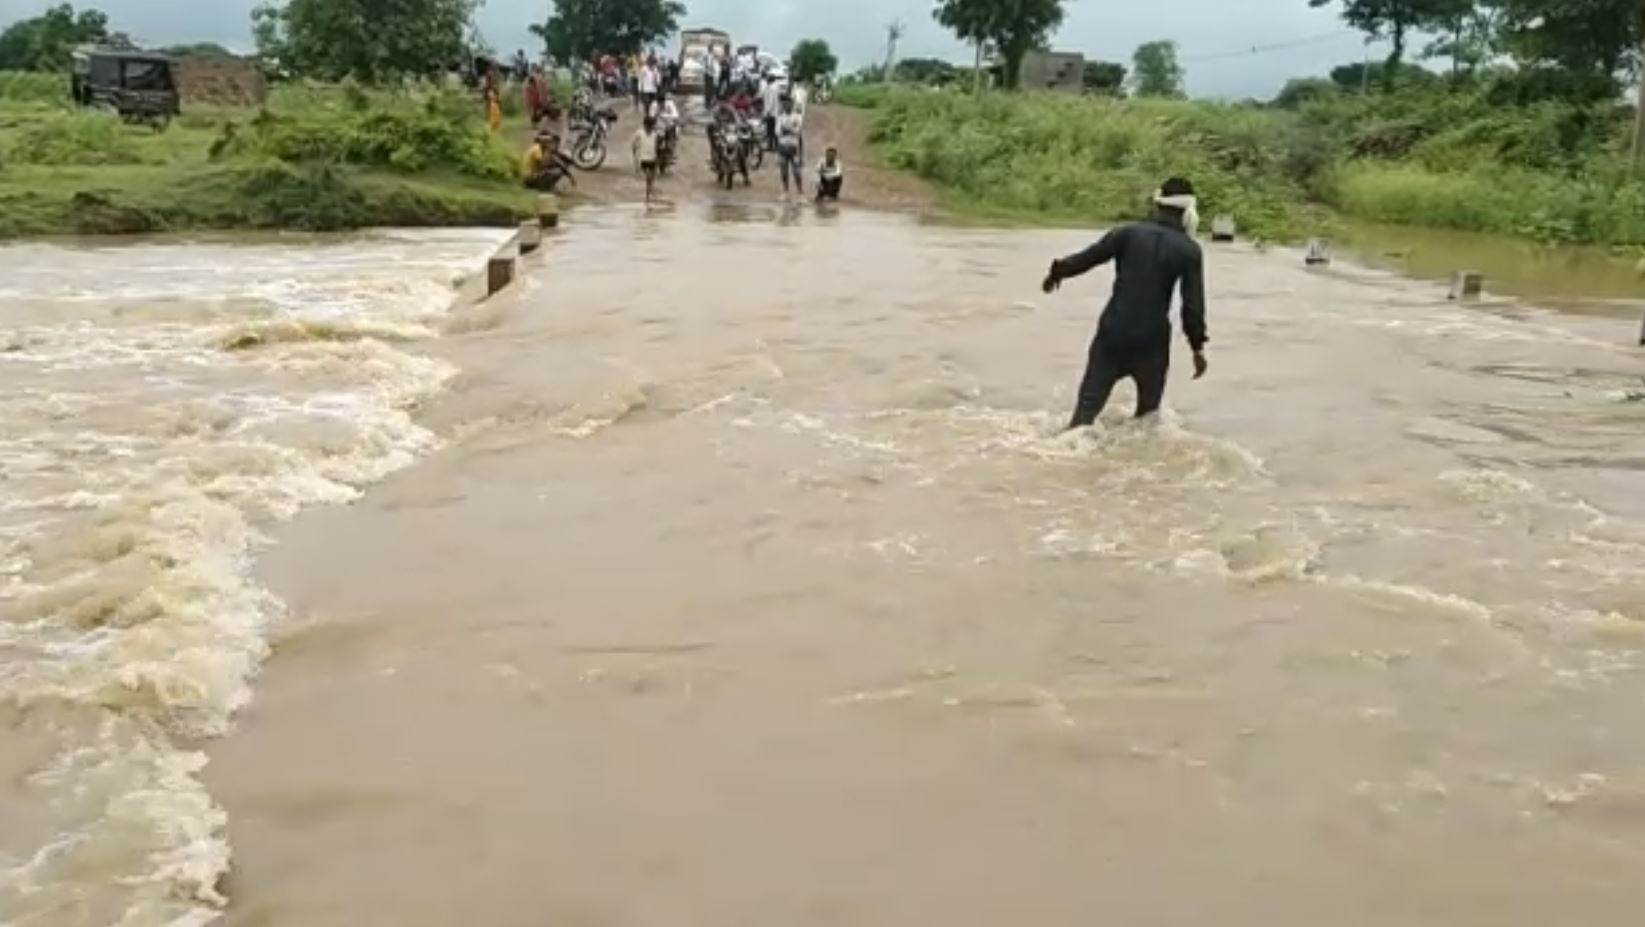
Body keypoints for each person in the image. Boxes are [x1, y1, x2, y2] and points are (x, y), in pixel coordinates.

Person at [1042, 177, 1209, 428]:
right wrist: (1197, 348)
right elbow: (1192, 307)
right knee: (1147, 422)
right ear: (1188, 212)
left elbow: (1088, 258)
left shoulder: (1126, 234)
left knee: (1083, 416)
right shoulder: (1189, 250)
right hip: (1152, 342)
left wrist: (1056, 272)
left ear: (1157, 205)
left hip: (1113, 332)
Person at [775, 96, 805, 198]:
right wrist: (790, 130)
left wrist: (787, 130)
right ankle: (785, 191)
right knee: (783, 170)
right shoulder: (780, 117)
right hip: (783, 146)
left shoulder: (798, 116)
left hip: (793, 147)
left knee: (796, 171)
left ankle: (800, 192)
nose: (786, 105)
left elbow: (797, 131)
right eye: (784, 104)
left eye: (788, 103)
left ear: (792, 104)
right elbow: (778, 132)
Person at [632, 115, 661, 203]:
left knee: (651, 178)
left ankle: (648, 195)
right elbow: (634, 145)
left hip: (652, 158)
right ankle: (650, 195)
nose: (650, 128)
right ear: (645, 125)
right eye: (649, 126)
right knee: (648, 177)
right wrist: (635, 158)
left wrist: (657, 159)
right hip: (643, 159)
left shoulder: (655, 135)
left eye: (652, 126)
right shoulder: (639, 133)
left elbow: (656, 147)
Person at [760, 75, 784, 151]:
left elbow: (770, 101)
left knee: (770, 130)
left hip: (771, 112)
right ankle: (776, 146)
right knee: (774, 130)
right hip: (775, 112)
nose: (766, 80)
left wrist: (767, 112)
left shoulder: (771, 88)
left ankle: (771, 146)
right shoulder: (776, 87)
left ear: (770, 80)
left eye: (767, 79)